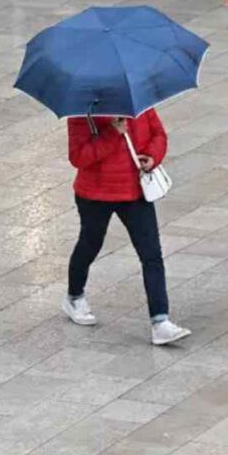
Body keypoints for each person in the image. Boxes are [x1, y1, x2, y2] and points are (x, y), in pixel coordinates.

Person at [62, 110, 191, 346]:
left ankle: (160, 320)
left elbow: (158, 134)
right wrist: (112, 133)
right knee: (90, 244)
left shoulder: (138, 105)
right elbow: (78, 157)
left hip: (134, 192)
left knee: (151, 254)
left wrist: (152, 157)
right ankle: (74, 296)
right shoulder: (84, 113)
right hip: (95, 194)